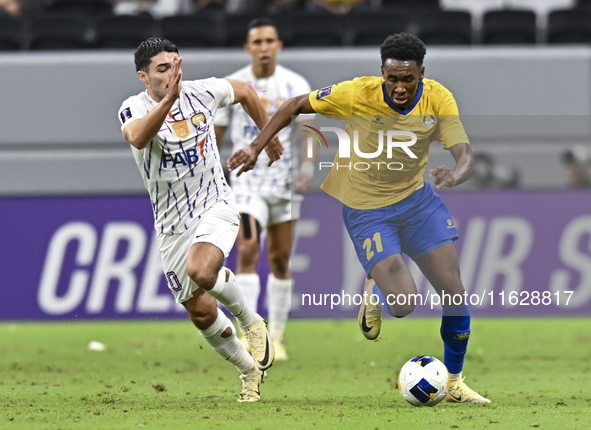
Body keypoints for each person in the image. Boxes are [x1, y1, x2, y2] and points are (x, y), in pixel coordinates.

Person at [229, 32, 491, 404]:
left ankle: (453, 383)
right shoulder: (355, 93)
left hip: (418, 203)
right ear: (382, 72)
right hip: (368, 210)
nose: (400, 87)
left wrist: (454, 174)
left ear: (422, 74)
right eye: (392, 78)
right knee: (404, 305)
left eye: (408, 79)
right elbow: (293, 105)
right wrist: (256, 146)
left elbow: (465, 155)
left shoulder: (438, 97)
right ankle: (376, 292)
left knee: (454, 290)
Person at [117, 38, 280, 402]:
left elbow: (246, 92)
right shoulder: (132, 108)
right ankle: (248, 372)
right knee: (201, 312)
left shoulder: (203, 92)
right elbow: (139, 138)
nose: (173, 74)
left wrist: (265, 138)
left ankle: (252, 321)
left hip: (214, 204)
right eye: (162, 69)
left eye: (176, 65)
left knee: (202, 271)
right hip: (171, 225)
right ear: (144, 77)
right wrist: (168, 102)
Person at [215, 18, 314, 361]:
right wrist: (214, 174)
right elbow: (217, 136)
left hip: (283, 185)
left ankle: (278, 336)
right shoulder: (235, 85)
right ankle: (252, 333)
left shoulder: (295, 83)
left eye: (269, 40)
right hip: (246, 182)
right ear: (248, 48)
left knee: (279, 259)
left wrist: (307, 168)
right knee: (247, 250)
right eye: (257, 42)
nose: (264, 47)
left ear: (278, 46)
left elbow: (310, 134)